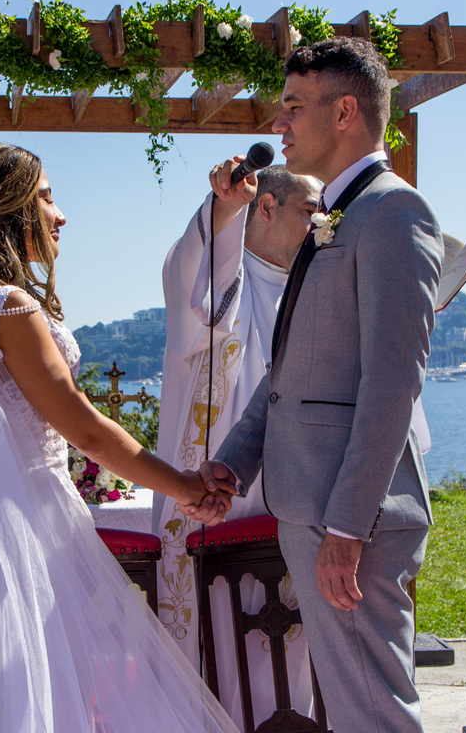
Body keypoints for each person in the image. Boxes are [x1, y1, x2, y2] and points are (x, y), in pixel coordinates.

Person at [0, 141, 238, 733]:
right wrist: (185, 485)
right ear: (9, 210)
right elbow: (85, 426)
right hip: (20, 543)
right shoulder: (9, 307)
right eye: (45, 196)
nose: (59, 213)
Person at [199, 37, 444, 732]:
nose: (279, 126)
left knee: (375, 713)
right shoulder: (333, 216)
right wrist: (235, 461)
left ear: (344, 113)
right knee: (350, 708)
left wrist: (346, 527)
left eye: (294, 108)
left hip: (351, 520)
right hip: (314, 507)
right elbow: (291, 369)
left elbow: (393, 384)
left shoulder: (396, 214)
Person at [155, 164, 320, 727]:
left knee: (295, 659)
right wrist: (225, 208)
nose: (321, 226)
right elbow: (190, 283)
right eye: (310, 211)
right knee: (220, 645)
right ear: (267, 208)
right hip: (216, 500)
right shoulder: (228, 280)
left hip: (296, 504)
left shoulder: (316, 289)